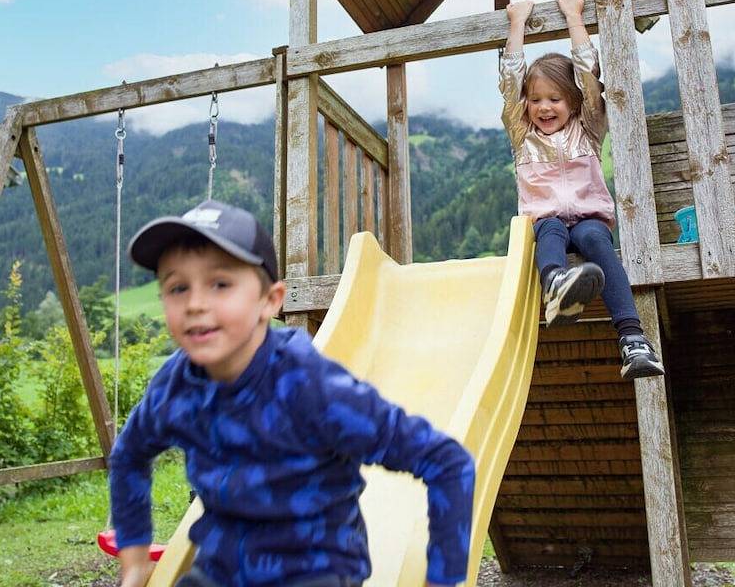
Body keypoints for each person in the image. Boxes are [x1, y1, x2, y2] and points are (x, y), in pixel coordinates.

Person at [108, 200, 475, 587]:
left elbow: (447, 462)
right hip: (221, 572)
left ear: (270, 300)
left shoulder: (312, 388)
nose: (196, 304)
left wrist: (443, 579)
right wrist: (134, 561)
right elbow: (129, 455)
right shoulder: (174, 387)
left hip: (314, 571)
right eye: (177, 287)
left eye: (220, 284)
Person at [500, 0, 664, 380]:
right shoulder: (523, 134)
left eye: (555, 98)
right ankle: (555, 283)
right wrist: (517, 23)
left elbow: (589, 74)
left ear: (573, 103)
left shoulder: (588, 127)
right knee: (550, 230)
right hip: (548, 220)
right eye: (536, 99)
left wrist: (575, 17)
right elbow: (510, 82)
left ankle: (632, 339)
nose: (544, 107)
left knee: (595, 240)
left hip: (590, 218)